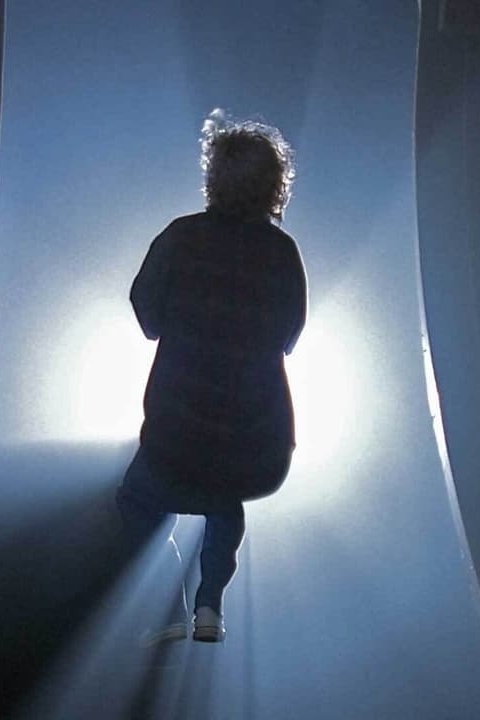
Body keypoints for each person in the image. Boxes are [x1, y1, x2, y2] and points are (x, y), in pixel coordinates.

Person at [117, 109, 306, 644]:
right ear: (274, 185)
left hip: (177, 431)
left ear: (214, 176)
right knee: (225, 496)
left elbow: (147, 317)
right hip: (257, 442)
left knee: (139, 498)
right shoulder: (283, 254)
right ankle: (210, 606)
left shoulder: (181, 237)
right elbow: (289, 336)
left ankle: (169, 611)